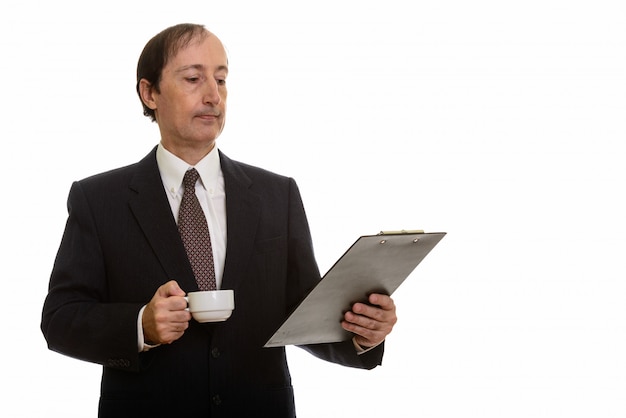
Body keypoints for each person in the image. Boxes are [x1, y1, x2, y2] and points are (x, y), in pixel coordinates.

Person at [41, 23, 397, 417]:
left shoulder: (278, 194)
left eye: (222, 79)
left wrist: (362, 333)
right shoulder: (98, 199)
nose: (213, 95)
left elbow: (303, 315)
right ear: (150, 93)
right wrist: (141, 324)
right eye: (194, 78)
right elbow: (60, 318)